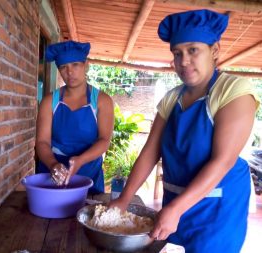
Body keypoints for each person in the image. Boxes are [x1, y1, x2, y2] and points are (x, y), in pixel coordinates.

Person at [109, 9, 260, 252]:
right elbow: (150, 151)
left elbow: (223, 161)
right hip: (176, 200)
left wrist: (177, 208)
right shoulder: (171, 99)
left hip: (217, 208)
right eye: (177, 53)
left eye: (193, 50)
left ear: (215, 50)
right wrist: (124, 198)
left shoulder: (233, 90)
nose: (184, 61)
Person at [36, 40, 114, 194]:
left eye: (75, 65)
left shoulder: (102, 101)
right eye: (63, 67)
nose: (69, 72)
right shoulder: (50, 101)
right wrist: (53, 165)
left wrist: (80, 160)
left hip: (88, 170)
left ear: (86, 65)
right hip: (52, 171)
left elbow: (104, 140)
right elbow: (42, 142)